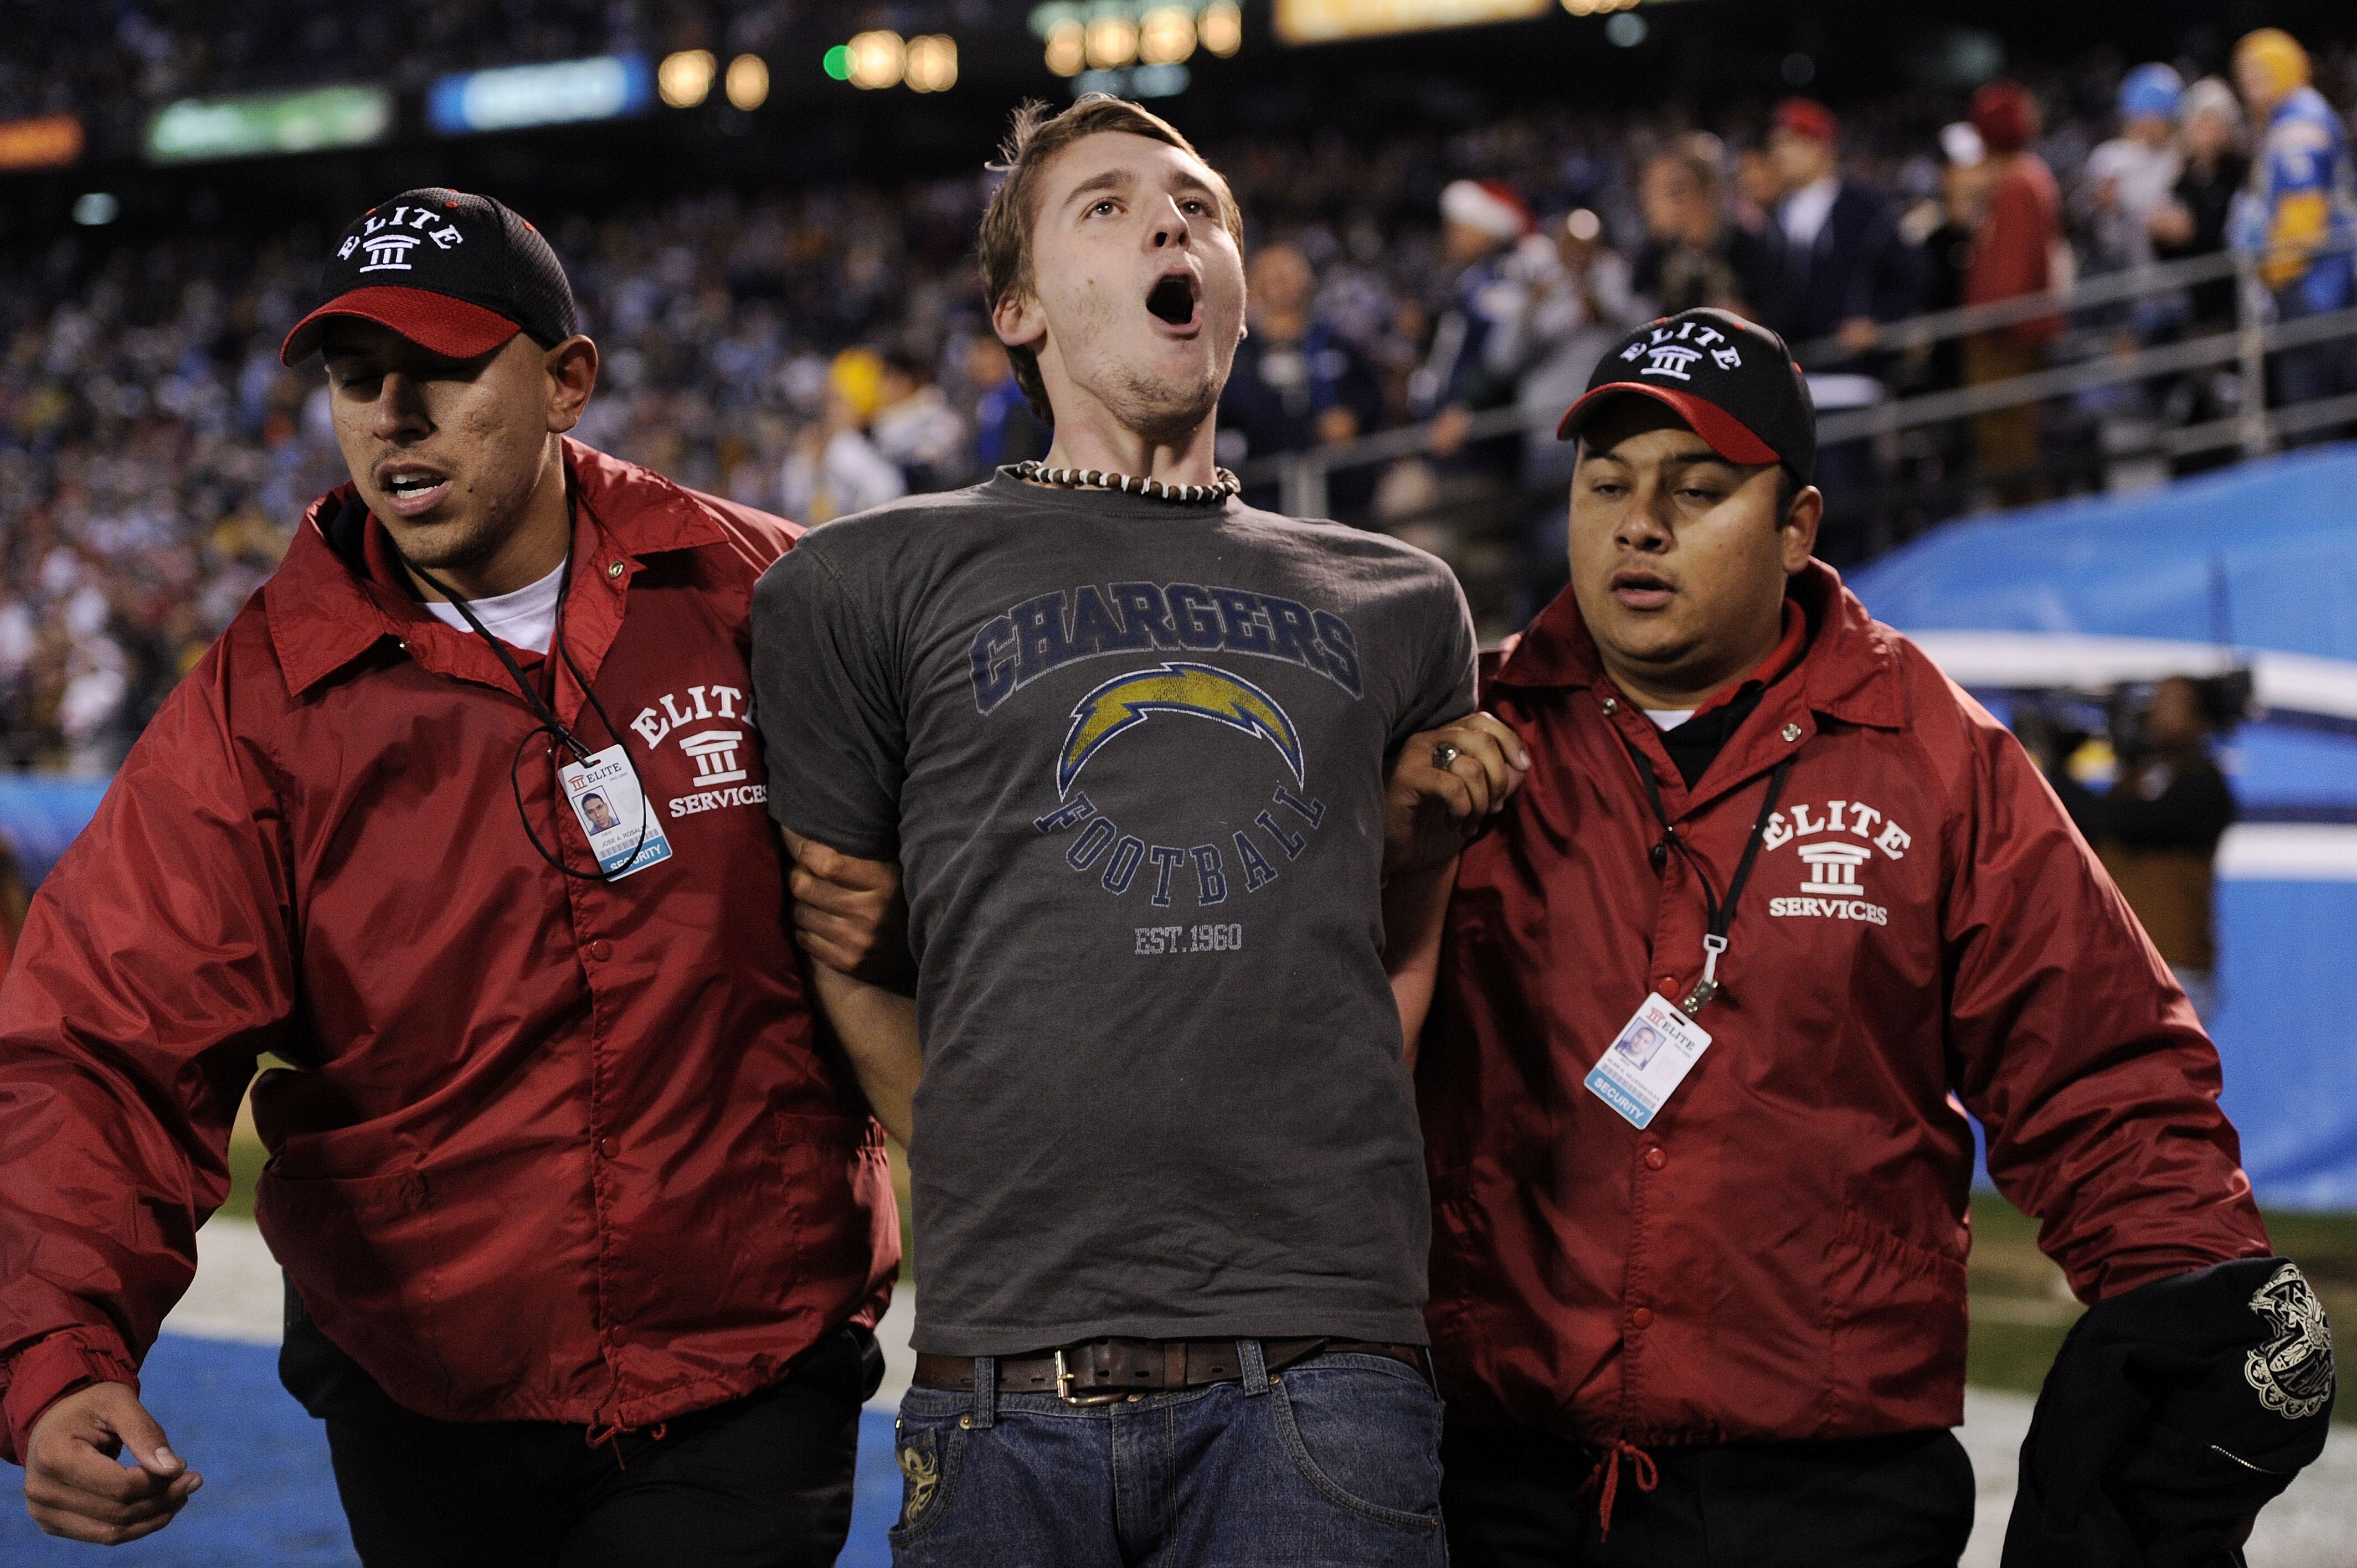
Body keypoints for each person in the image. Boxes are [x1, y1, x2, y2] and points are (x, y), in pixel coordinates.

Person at [0, 189, 898, 1563]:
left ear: (567, 380)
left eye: (443, 370)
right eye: (360, 381)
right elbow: (105, 1031)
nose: (392, 416)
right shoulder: (264, 697)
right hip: (430, 1397)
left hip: (748, 1370)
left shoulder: (765, 596)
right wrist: (59, 1349)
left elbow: (980, 902)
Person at [1399, 306, 2334, 1566]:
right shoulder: (1452, 750)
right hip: (1497, 1486)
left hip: (1825, 1503)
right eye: (1606, 481)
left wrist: (2188, 1307)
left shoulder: (1942, 761)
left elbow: (2104, 1076)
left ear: (1797, 526)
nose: (1639, 522)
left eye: (1700, 487)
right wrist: (1382, 845)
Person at [749, 95, 1493, 1564]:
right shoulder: (856, 583)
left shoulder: (1407, 602)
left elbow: (1403, 933)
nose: (1175, 225)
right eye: (1108, 205)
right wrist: (972, 1161)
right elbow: (839, 939)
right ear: (1016, 309)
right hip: (1004, 1383)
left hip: (1324, 1372)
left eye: (1201, 206)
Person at [1749, 97, 1921, 563]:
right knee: (1799, 533)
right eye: (1777, 143)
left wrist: (1879, 324)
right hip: (1796, 390)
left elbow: (1911, 279)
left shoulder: (1864, 209)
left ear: (1822, 147)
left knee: (1851, 521)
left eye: (1792, 143)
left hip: (1848, 384)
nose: (1781, 153)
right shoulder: (1777, 219)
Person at [2234, 28, 2357, 444]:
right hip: (2324, 283)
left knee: (2314, 420)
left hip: (2317, 287)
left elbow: (2304, 218)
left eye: (2260, 74)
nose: (2250, 88)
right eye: (2246, 77)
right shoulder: (2293, 116)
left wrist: (2274, 271)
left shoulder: (2298, 121)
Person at [2097, 676, 2238, 1022]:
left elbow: (2129, 823)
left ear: (2200, 721)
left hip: (2173, 973)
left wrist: (2059, 773)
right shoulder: (2135, 785)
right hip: (2119, 972)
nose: (2153, 712)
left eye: (2168, 704)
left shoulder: (2205, 788)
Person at [1218, 240, 1386, 512]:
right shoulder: (1237, 357)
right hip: (1264, 500)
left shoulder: (1337, 344)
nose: (1283, 283)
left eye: (1291, 273)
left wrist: (1353, 417)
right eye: (1274, 276)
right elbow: (1229, 423)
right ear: (1254, 285)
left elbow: (1373, 396)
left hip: (1345, 497)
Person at [1962, 80, 2065, 506]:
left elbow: (2007, 281)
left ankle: (2028, 544)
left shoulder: (2019, 184)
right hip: (2011, 337)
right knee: (2010, 450)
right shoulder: (2025, 177)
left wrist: (1980, 318)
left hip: (2007, 342)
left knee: (2011, 450)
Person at [1421, 179, 1535, 473]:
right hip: (1451, 435)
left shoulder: (1498, 284)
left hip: (1475, 439)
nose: (1451, 236)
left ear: (1489, 232)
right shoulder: (1469, 281)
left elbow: (1498, 358)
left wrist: (1464, 407)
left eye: (1462, 227)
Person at [1630, 136, 1760, 321]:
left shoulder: (1749, 247)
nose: (1645, 204)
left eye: (1653, 193)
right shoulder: (1654, 255)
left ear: (1687, 193)